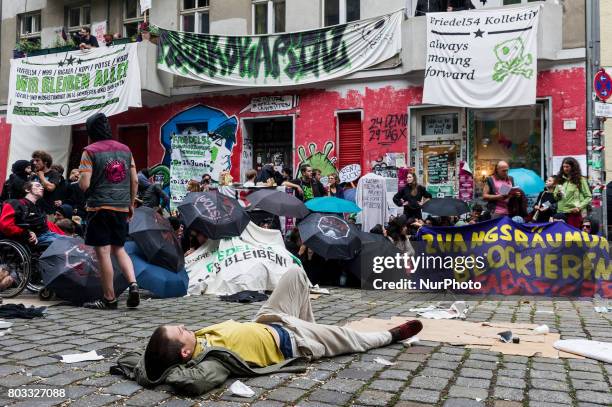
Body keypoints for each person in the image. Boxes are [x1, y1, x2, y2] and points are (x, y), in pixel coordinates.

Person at [114, 267, 423, 392]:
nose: (184, 325)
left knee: (295, 275)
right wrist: (160, 376)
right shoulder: (208, 363)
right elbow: (193, 382)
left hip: (268, 319)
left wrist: (143, 365)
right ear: (184, 352)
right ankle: (391, 335)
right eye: (180, 330)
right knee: (354, 339)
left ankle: (318, 331)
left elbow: (140, 360)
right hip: (293, 340)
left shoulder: (191, 344)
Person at [78, 113, 139, 310]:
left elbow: (85, 184)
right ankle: (133, 285)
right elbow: (135, 180)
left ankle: (109, 298)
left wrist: (81, 182)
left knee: (103, 253)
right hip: (122, 207)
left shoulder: (89, 151)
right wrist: (130, 204)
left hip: (99, 207)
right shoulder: (125, 149)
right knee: (119, 249)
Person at [0, 181, 63, 246]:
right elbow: (6, 226)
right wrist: (27, 233)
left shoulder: (38, 207)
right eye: (37, 186)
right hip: (36, 238)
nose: (42, 188)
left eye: (42, 186)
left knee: (70, 242)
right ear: (27, 189)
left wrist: (65, 234)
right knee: (64, 245)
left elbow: (47, 224)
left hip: (48, 234)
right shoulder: (15, 203)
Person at [554, 157, 592, 229]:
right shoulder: (560, 179)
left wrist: (579, 207)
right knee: (562, 236)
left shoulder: (580, 179)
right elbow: (555, 196)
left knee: (573, 236)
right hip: (561, 213)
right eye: (564, 167)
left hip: (573, 213)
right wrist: (558, 194)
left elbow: (588, 197)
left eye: (567, 167)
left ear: (573, 167)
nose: (565, 169)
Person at [30, 150, 62, 215]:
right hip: (33, 209)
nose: (34, 163)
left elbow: (51, 188)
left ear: (45, 162)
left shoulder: (54, 174)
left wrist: (42, 177)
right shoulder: (34, 175)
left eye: (37, 160)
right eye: (34, 161)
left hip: (47, 212)